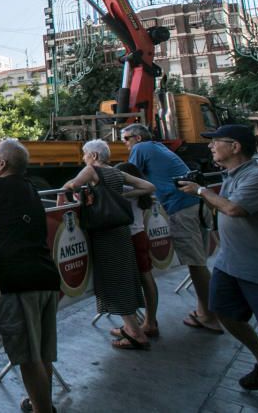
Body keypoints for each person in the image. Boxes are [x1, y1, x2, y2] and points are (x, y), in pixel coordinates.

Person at [179, 124, 258, 413]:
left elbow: (233, 209)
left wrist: (199, 191)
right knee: (223, 313)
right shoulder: (230, 176)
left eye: (216, 142)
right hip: (229, 264)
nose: (210, 147)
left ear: (235, 147)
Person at [122, 123, 223, 333]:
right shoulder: (157, 147)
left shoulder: (140, 149)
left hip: (182, 206)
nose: (124, 144)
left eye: (126, 139)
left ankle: (211, 317)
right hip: (195, 203)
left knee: (195, 263)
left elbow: (129, 178)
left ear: (137, 138)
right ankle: (204, 311)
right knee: (199, 262)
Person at [0, 139, 61, 413]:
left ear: (2, 163)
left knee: (28, 358)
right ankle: (40, 402)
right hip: (46, 276)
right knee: (42, 353)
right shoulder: (30, 188)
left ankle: (43, 410)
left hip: (18, 283)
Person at [62, 139, 157, 350]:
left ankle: (134, 332)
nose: (84, 158)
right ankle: (131, 325)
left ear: (94, 156)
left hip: (105, 234)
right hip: (121, 231)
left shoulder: (92, 170)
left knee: (113, 279)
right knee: (124, 276)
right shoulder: (117, 173)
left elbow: (72, 185)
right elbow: (149, 186)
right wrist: (122, 195)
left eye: (85, 154)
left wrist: (71, 192)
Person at [115, 161, 160, 338]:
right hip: (140, 234)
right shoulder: (141, 190)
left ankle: (132, 327)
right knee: (147, 278)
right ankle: (150, 321)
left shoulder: (125, 189)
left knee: (126, 282)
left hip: (127, 237)